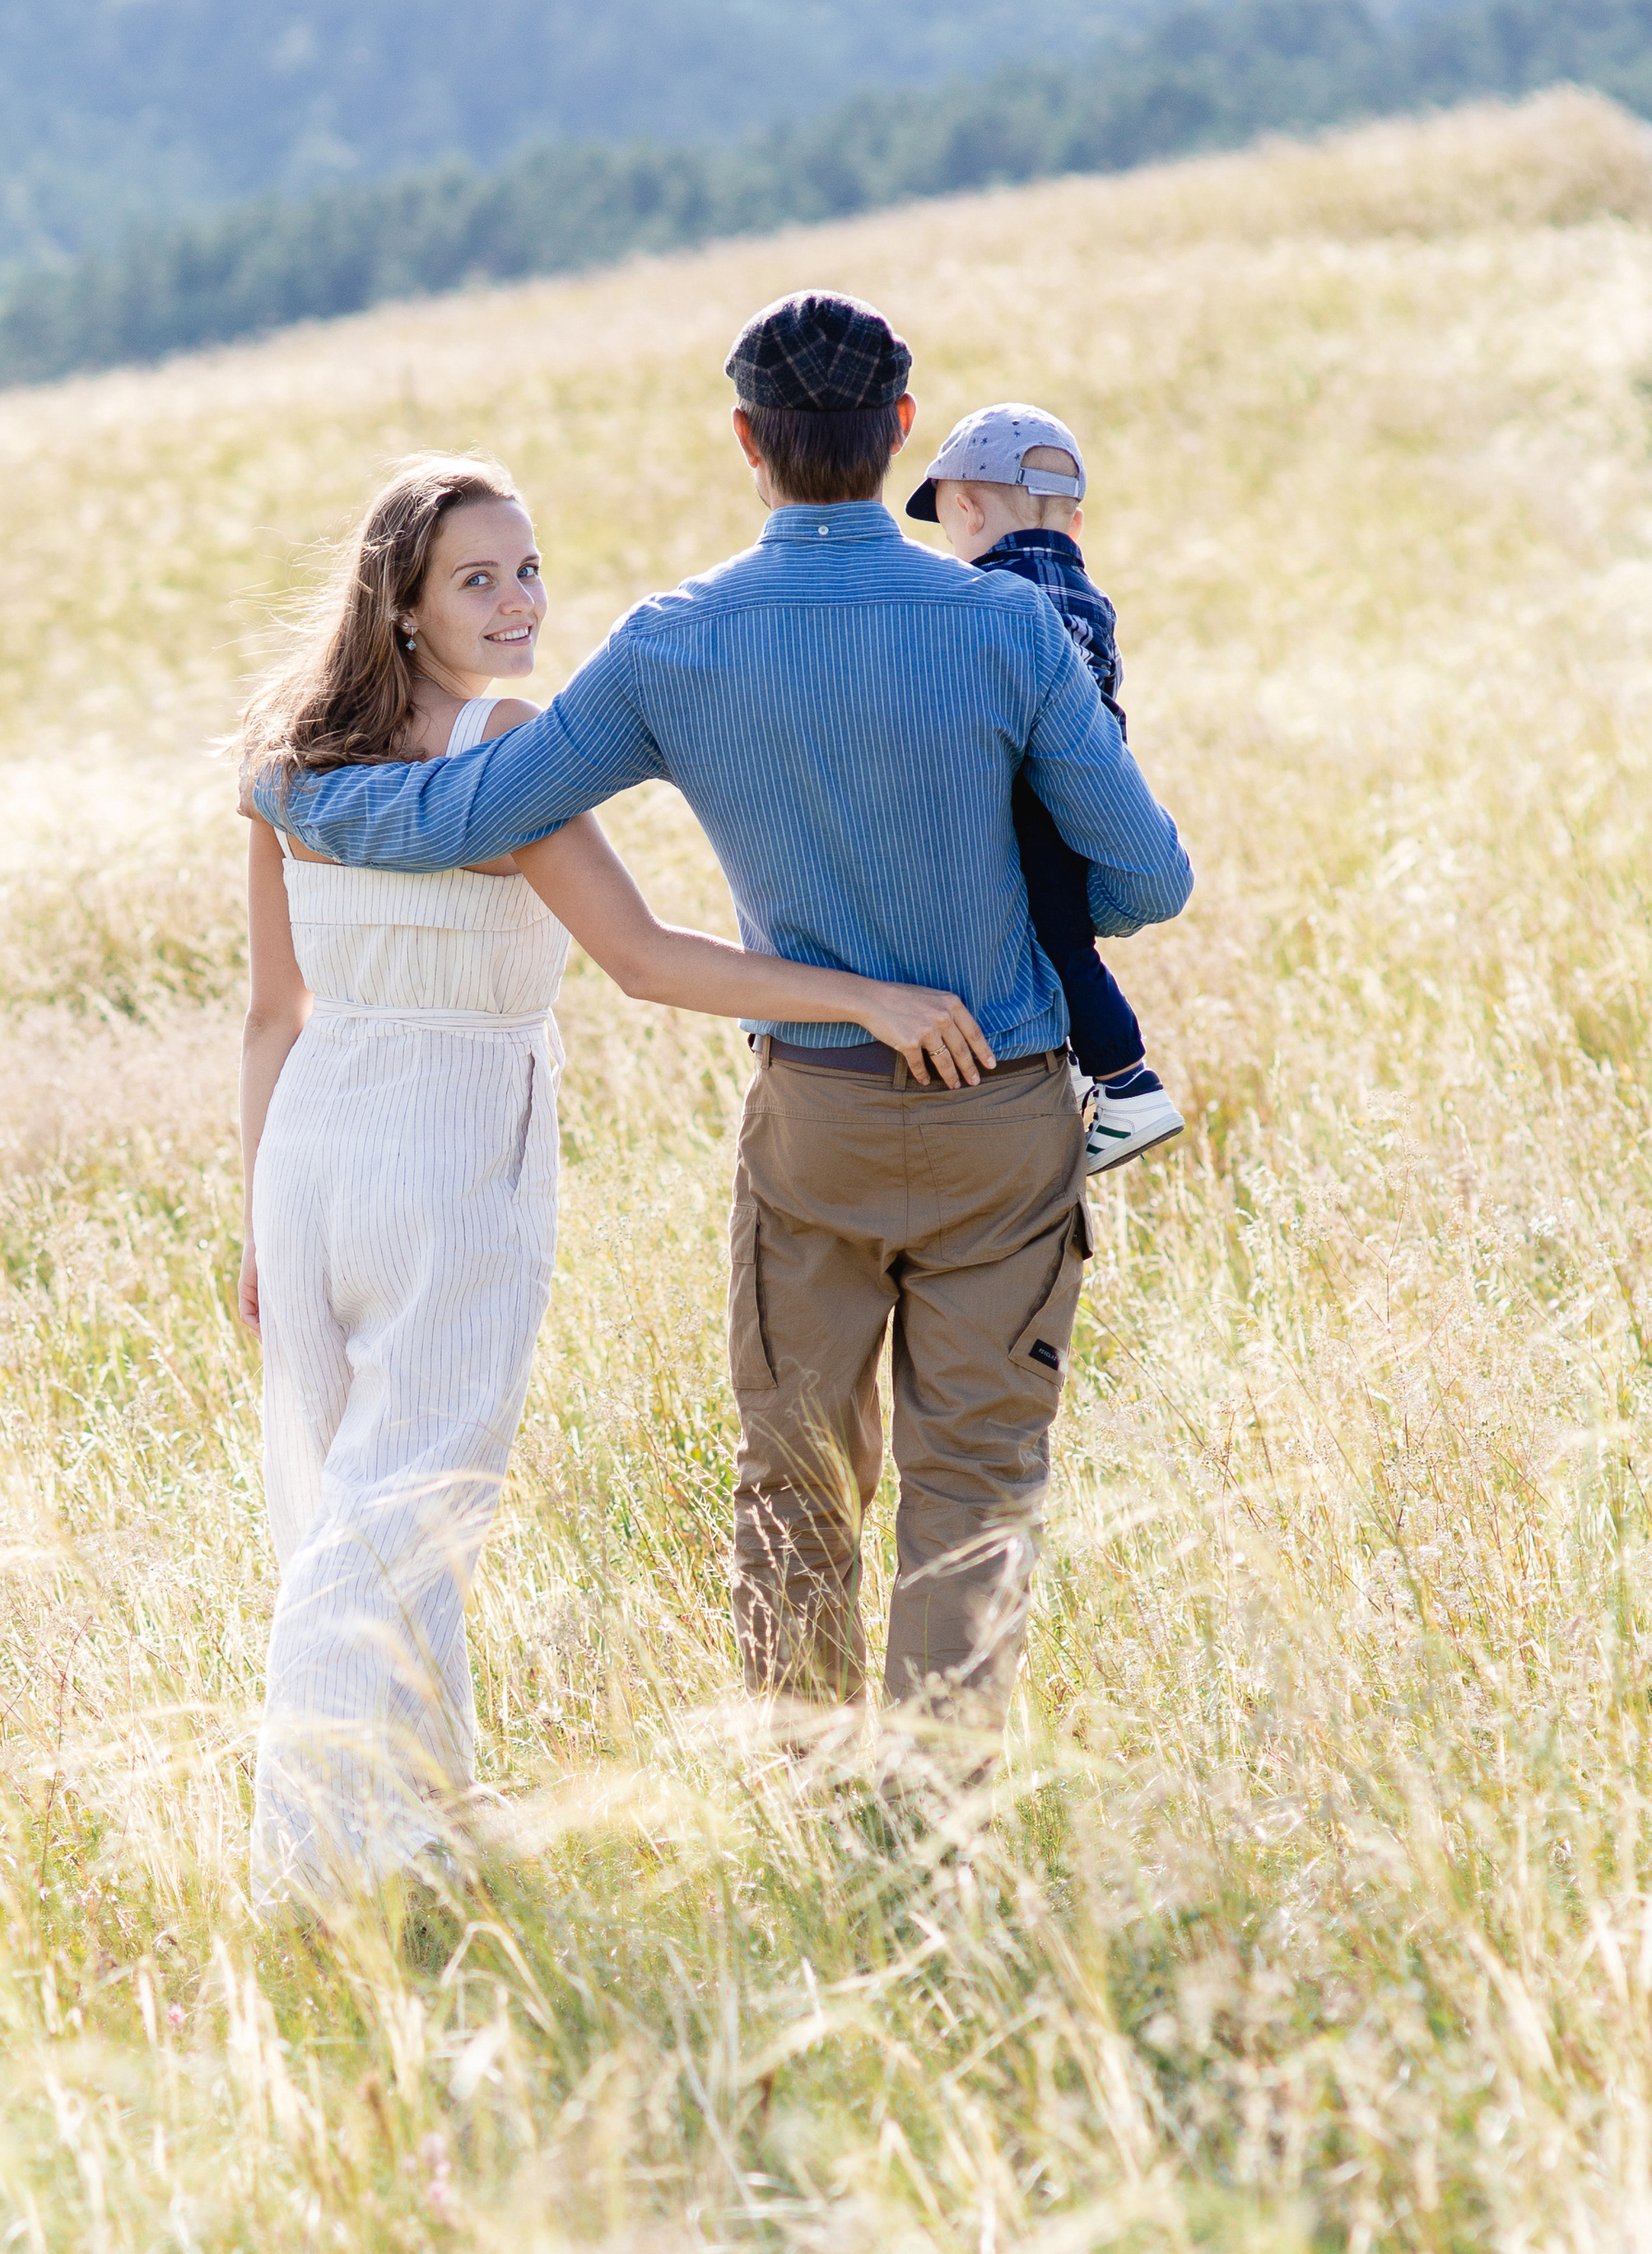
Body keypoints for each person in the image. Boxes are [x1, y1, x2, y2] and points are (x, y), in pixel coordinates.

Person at [248, 296, 1194, 1750]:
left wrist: (296, 795)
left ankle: (803, 1795)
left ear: (747, 441)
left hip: (813, 1116)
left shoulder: (673, 642)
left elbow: (481, 809)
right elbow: (1148, 879)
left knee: (799, 1476)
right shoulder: (1007, 624)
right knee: (978, 1481)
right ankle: (939, 1824)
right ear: (895, 436)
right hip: (1006, 1114)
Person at [238, 449, 994, 1905]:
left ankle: (415, 1823)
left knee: (345, 1495)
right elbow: (644, 960)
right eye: (479, 578)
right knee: (405, 1505)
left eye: (526, 568)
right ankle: (316, 1860)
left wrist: (257, 1227)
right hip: (455, 1135)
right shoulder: (502, 740)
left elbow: (274, 1016)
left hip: (312, 1145)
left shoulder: (290, 760)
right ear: (402, 603)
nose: (519, 601)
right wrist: (868, 998)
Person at [907, 402, 1185, 1173]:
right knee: (1065, 940)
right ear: (1077, 523)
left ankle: (1128, 1086)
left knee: (1061, 945)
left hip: (1026, 795)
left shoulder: (987, 600)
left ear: (964, 509)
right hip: (1085, 795)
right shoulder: (1090, 599)